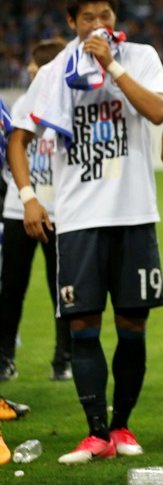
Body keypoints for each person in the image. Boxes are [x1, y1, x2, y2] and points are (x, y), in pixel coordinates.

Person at [9, 0, 163, 464]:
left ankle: (122, 426)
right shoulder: (54, 71)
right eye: (88, 19)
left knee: (131, 326)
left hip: (134, 214)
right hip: (78, 219)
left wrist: (113, 67)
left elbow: (160, 112)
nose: (99, 25)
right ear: (72, 23)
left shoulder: (139, 57)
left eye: (105, 16)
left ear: (114, 16)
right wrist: (29, 196)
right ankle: (95, 432)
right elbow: (18, 138)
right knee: (82, 324)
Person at [0, 37, 71, 382]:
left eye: (36, 64)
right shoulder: (22, 106)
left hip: (58, 211)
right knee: (10, 287)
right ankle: (4, 357)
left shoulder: (68, 104)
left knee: (62, 290)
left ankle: (64, 357)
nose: (29, 69)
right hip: (19, 207)